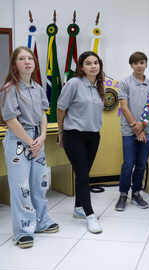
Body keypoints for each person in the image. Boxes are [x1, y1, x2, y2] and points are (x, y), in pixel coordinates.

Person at [0, 46, 59, 248]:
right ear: (15, 65)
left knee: (39, 183)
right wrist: (30, 141)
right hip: (19, 139)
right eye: (22, 59)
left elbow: (43, 115)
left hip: (37, 139)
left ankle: (41, 222)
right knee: (21, 187)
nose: (27, 61)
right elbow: (11, 120)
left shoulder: (38, 88)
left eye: (30, 58)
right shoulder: (9, 89)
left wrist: (42, 137)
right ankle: (24, 231)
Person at [57, 51, 104, 234]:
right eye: (88, 63)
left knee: (83, 173)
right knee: (84, 176)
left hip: (93, 136)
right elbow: (61, 109)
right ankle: (90, 216)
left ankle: (78, 209)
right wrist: (61, 132)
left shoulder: (101, 86)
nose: (93, 66)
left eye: (96, 62)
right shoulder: (74, 83)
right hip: (74, 134)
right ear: (81, 67)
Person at [114, 52, 149, 212]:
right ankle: (123, 194)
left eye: (142, 62)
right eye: (136, 63)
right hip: (129, 131)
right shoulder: (125, 83)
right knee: (128, 164)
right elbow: (124, 107)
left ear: (146, 65)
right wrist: (136, 127)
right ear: (131, 65)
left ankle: (137, 193)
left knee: (140, 165)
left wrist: (143, 126)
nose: (139, 65)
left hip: (147, 130)